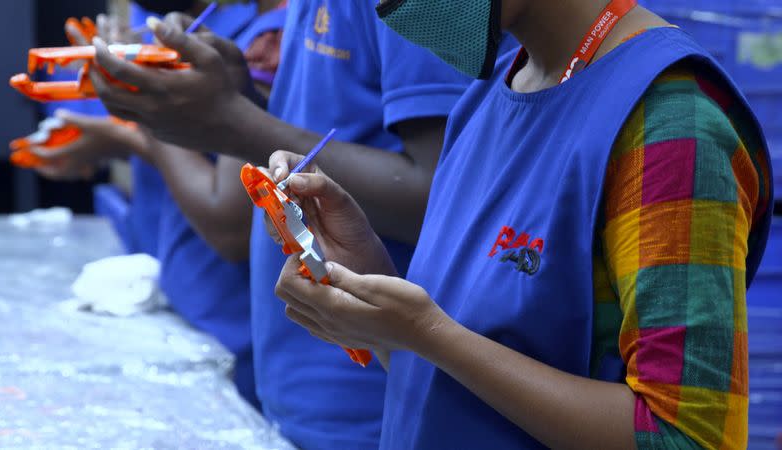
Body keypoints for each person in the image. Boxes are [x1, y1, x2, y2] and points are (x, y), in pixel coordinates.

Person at [266, 0, 774, 449]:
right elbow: (449, 379)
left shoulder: (670, 126)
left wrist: (428, 333)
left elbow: (685, 436)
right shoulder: (489, 95)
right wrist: (366, 283)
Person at [87, 1, 477, 448]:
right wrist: (235, 93)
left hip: (374, 401)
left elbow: (444, 196)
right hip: (302, 388)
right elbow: (302, 138)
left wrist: (229, 122)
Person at [34, 0, 287, 408]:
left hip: (238, 328)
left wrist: (140, 111)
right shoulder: (176, 20)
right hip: (190, 301)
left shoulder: (263, 41)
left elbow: (230, 219)